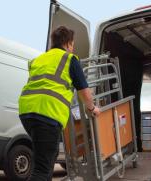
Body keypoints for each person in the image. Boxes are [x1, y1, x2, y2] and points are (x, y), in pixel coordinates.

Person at [18, 26, 100, 181]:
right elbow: (85, 93)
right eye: (73, 44)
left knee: (47, 158)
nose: (73, 48)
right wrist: (93, 108)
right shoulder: (69, 59)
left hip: (27, 111)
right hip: (47, 113)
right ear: (68, 43)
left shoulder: (39, 59)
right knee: (42, 169)